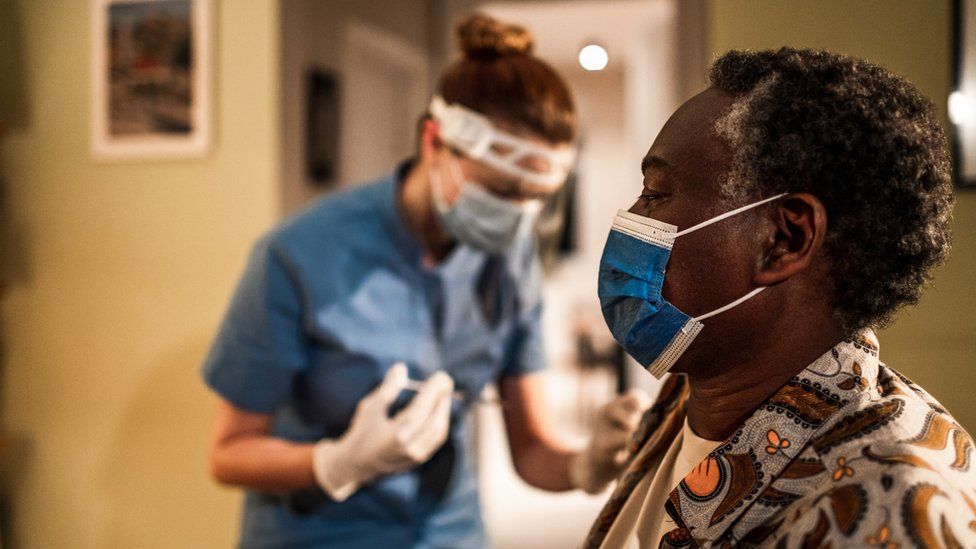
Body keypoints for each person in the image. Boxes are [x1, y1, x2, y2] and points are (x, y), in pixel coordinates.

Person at [203, 14, 648, 549]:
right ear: (434, 140)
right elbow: (229, 454)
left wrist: (585, 464)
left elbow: (531, 451)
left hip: (449, 533)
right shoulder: (299, 256)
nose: (517, 217)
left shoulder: (510, 261)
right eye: (501, 192)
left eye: (537, 198)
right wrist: (336, 462)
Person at [582, 47, 976, 548]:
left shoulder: (890, 511)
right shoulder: (686, 398)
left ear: (785, 238)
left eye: (657, 193)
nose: (633, 216)